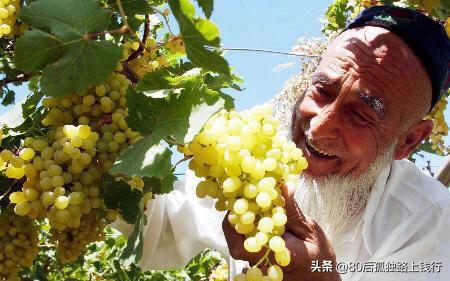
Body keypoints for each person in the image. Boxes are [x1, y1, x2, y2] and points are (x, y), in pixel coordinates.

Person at [113, 5, 450, 281]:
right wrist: (112, 151)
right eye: (322, 91)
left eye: (361, 114)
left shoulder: (430, 224)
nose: (319, 127)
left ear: (409, 140)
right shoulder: (257, 161)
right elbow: (161, 232)